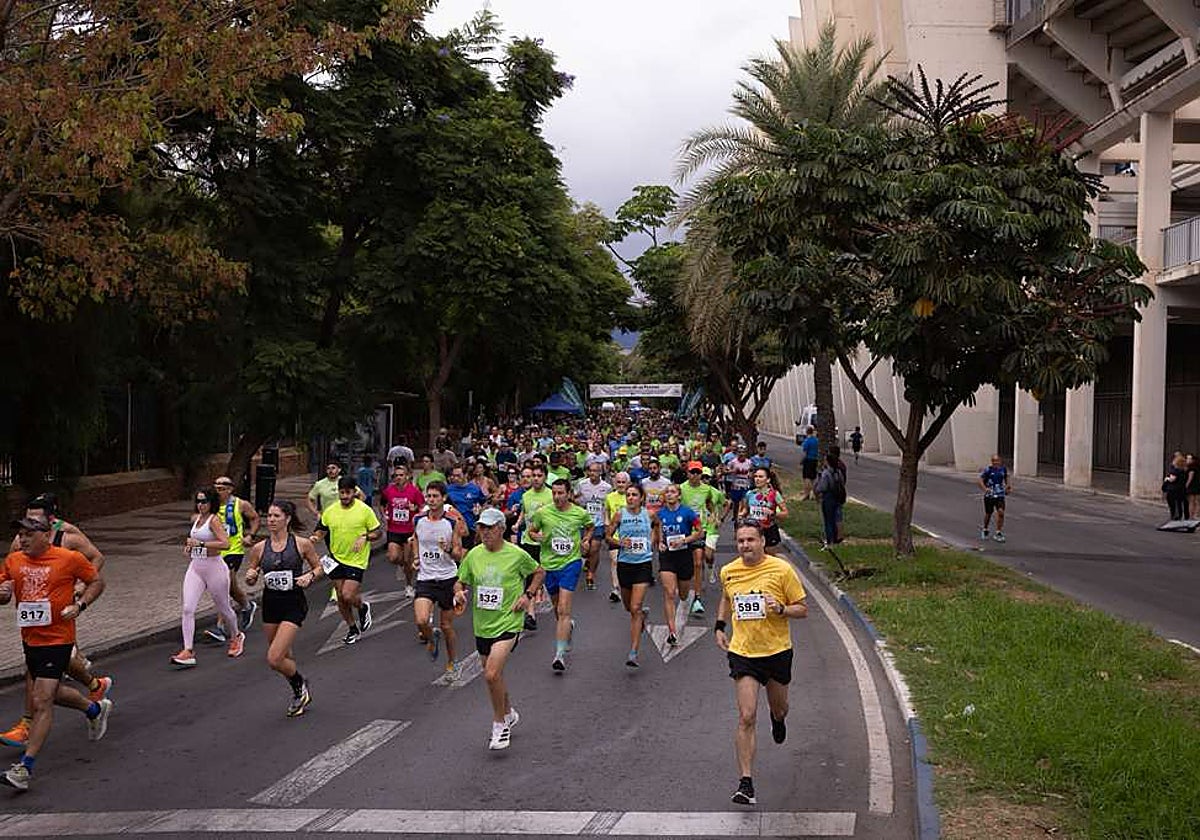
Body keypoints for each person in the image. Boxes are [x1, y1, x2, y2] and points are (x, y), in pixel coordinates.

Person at [0, 516, 111, 791]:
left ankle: (24, 768)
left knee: (42, 700)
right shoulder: (14, 561)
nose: (22, 539)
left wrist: (80, 605)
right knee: (52, 692)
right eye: (20, 535)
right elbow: (3, 590)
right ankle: (94, 708)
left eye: (28, 534)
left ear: (46, 535)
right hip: (31, 639)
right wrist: (2, 594)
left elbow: (96, 582)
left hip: (59, 638)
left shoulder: (68, 558)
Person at [715, 523, 808, 806]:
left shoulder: (781, 570)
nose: (745, 545)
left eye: (751, 540)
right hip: (743, 652)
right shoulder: (729, 571)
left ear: (762, 541)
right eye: (741, 540)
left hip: (777, 651)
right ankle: (746, 782)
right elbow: (726, 598)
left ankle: (778, 720)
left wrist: (780, 608)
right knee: (746, 715)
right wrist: (720, 625)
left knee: (779, 707)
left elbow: (802, 609)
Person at [452, 511, 544, 750]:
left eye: (490, 528)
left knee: (491, 674)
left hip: (509, 621)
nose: (485, 533)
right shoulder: (473, 555)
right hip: (482, 624)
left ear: (502, 529)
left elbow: (538, 572)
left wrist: (528, 596)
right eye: (482, 528)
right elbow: (461, 580)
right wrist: (458, 592)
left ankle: (499, 723)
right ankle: (509, 712)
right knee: (495, 677)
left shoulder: (516, 554)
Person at [243, 500, 324, 717]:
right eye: (269, 516)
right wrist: (250, 577)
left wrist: (310, 576)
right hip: (270, 604)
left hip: (293, 603)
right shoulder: (259, 548)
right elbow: (252, 576)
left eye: (276, 516)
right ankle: (299, 692)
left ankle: (300, 683)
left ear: (287, 519)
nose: (271, 520)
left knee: (274, 658)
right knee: (284, 657)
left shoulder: (301, 544)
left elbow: (319, 568)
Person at [171, 487, 244, 667]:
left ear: (211, 503)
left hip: (215, 568)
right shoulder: (196, 520)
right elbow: (195, 544)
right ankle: (188, 650)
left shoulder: (214, 520)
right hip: (196, 567)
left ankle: (236, 636)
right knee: (188, 608)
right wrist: (190, 547)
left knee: (224, 607)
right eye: (198, 501)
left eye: (204, 501)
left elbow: (225, 544)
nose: (200, 505)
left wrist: (201, 543)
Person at [526, 479, 594, 672]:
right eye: (554, 493)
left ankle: (559, 654)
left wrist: (586, 540)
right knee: (557, 608)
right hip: (549, 565)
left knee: (564, 608)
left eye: (561, 493)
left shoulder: (579, 513)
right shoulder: (543, 513)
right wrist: (535, 536)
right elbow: (531, 531)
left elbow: (589, 527)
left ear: (569, 493)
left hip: (570, 564)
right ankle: (567, 627)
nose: (557, 497)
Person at [312, 476, 382, 646]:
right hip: (336, 558)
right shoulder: (331, 510)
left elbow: (378, 532)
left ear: (354, 492)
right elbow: (321, 529)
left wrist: (365, 537)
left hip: (356, 560)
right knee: (341, 598)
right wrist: (315, 537)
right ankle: (352, 628)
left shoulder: (364, 510)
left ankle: (362, 607)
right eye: (341, 493)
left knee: (347, 594)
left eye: (348, 493)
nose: (344, 496)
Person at [412, 482, 466, 679]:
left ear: (443, 498)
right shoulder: (418, 519)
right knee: (421, 620)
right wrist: (417, 557)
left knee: (446, 626)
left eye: (435, 496)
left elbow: (459, 555)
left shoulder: (452, 523)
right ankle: (431, 638)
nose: (431, 500)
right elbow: (416, 538)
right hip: (426, 578)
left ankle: (453, 662)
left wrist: (449, 549)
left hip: (447, 579)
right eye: (429, 496)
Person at [607, 483, 660, 668]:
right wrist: (620, 542)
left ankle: (633, 652)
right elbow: (608, 536)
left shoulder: (649, 514)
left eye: (634, 495)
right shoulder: (620, 514)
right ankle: (641, 618)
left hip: (643, 564)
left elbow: (657, 526)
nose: (630, 498)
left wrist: (653, 543)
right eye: (628, 495)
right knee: (629, 607)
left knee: (636, 607)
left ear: (641, 498)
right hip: (625, 564)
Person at [205, 475, 260, 644]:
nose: (218, 491)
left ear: (230, 489)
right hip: (215, 552)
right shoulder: (209, 506)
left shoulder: (240, 504)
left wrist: (250, 535)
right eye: (216, 487)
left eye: (221, 488)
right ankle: (247, 606)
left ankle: (220, 627)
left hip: (233, 550)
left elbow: (255, 518)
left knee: (224, 584)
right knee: (231, 587)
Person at [656, 485, 703, 646]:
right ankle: (672, 631)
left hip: (684, 555)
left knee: (683, 594)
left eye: (673, 492)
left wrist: (684, 540)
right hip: (667, 556)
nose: (669, 495)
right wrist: (660, 543)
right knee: (669, 592)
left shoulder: (687, 512)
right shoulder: (660, 513)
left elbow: (699, 531)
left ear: (679, 496)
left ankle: (686, 597)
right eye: (667, 492)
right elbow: (658, 530)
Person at [514, 464, 554, 631]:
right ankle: (530, 615)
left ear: (545, 477)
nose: (535, 478)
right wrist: (517, 524)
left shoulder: (552, 494)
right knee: (530, 577)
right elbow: (525, 512)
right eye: (533, 476)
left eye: (539, 475)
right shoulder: (526, 495)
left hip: (546, 542)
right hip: (528, 541)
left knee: (545, 575)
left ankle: (544, 591)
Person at [379, 464, 425, 599]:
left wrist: (415, 508)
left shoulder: (414, 491)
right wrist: (384, 516)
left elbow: (422, 507)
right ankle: (402, 566)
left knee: (408, 561)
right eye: (396, 475)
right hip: (394, 529)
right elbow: (382, 504)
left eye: (401, 475)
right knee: (393, 557)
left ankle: (409, 585)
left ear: (408, 476)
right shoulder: (389, 490)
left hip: (409, 530)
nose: (398, 478)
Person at [575, 461, 612, 591]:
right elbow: (574, 499)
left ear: (601, 472)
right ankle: (587, 560)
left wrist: (608, 522)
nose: (593, 473)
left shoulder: (607, 487)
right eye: (590, 471)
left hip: (598, 522)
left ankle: (591, 574)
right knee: (584, 549)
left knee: (594, 549)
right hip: (583, 522)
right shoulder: (581, 484)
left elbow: (608, 505)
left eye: (596, 471)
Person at [740, 468, 789, 555]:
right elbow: (745, 510)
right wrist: (741, 516)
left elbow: (785, 513)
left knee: (771, 558)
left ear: (768, 480)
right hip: (754, 530)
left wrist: (773, 513)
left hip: (769, 529)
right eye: (755, 476)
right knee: (754, 556)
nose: (757, 479)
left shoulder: (774, 494)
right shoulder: (750, 494)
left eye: (760, 477)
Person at [814, 453, 845, 550]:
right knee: (835, 518)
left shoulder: (826, 473)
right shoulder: (838, 472)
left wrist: (817, 490)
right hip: (838, 497)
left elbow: (822, 487)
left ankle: (829, 539)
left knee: (828, 520)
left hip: (828, 497)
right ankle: (836, 538)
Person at [978, 454, 1011, 541]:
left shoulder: (1003, 469)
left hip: (1000, 494)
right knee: (989, 513)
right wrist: (985, 489)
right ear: (992, 462)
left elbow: (1006, 478)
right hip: (990, 495)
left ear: (1000, 461)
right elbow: (980, 480)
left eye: (998, 461)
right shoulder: (988, 470)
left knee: (1001, 512)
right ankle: (985, 529)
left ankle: (998, 532)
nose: (996, 463)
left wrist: (1008, 486)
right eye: (994, 461)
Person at [1163, 452, 1189, 522]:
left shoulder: (1175, 471)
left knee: (1173, 505)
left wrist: (1167, 479)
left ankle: (1174, 517)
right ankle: (1179, 517)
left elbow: (1172, 479)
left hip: (1173, 490)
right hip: (1181, 490)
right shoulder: (1184, 471)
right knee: (1179, 504)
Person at [799, 429, 819, 500]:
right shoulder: (816, 440)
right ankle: (813, 493)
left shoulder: (807, 441)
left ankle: (807, 493)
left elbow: (805, 452)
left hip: (808, 460)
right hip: (815, 460)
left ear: (807, 432)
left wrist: (801, 461)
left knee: (807, 477)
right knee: (813, 477)